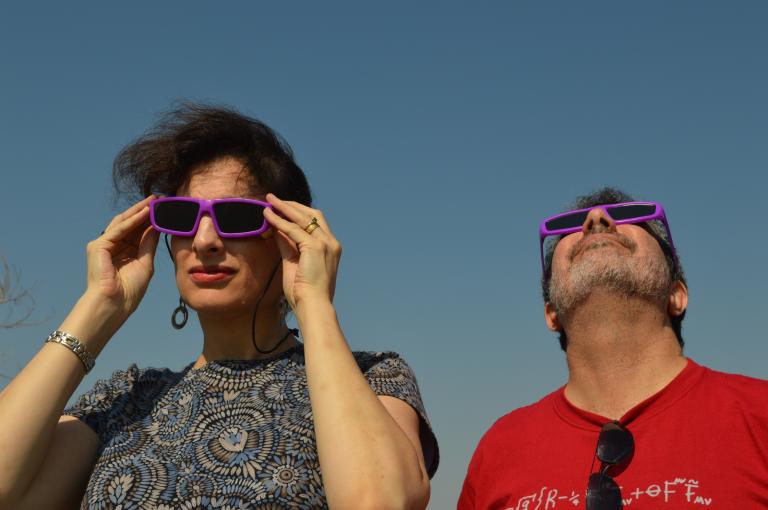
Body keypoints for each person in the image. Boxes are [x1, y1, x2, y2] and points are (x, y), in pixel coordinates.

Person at [0, 103, 438, 509]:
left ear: (291, 235)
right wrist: (99, 306)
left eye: (236, 217)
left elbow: (378, 500)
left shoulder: (374, 377)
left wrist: (314, 305)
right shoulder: (128, 399)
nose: (205, 240)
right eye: (181, 218)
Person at [458, 187, 768, 509]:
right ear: (552, 314)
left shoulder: (759, 414)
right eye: (569, 228)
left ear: (676, 294)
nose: (596, 218)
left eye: (632, 218)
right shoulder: (498, 450)